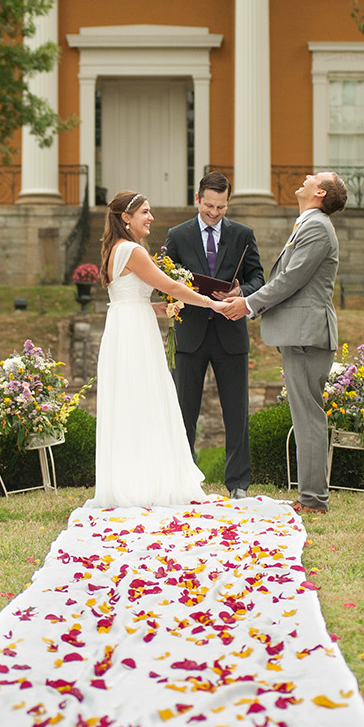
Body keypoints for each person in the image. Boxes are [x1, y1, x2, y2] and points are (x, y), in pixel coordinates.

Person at [217, 172, 347, 515]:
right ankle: (311, 497)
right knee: (306, 416)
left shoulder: (318, 227)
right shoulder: (309, 224)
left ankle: (313, 499)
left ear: (319, 192)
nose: (305, 177)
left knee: (308, 418)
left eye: (313, 177)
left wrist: (247, 303)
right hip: (301, 333)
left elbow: (290, 279)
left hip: (308, 334)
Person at [89, 190, 223, 509]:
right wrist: (210, 302)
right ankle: (146, 481)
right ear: (126, 217)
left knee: (134, 399)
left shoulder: (113, 249)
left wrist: (159, 309)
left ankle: (134, 478)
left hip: (127, 322)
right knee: (144, 396)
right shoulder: (132, 250)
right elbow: (171, 285)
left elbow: (129, 297)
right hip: (133, 331)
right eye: (145, 212)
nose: (151, 218)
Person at [160, 172, 265, 500]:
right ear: (197, 199)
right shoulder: (177, 235)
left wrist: (241, 292)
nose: (215, 212)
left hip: (230, 334)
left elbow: (258, 278)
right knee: (183, 412)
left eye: (221, 207)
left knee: (236, 413)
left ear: (227, 202)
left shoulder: (243, 235)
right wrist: (184, 292)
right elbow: (165, 279)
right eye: (209, 205)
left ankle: (238, 484)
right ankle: (185, 481)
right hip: (189, 334)